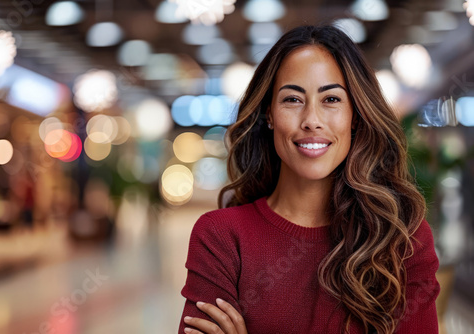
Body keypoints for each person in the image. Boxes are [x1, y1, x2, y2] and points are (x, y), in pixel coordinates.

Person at [178, 25, 440, 334]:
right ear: (269, 114)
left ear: (355, 115)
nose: (312, 121)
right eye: (292, 100)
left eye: (331, 100)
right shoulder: (221, 238)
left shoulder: (403, 238)